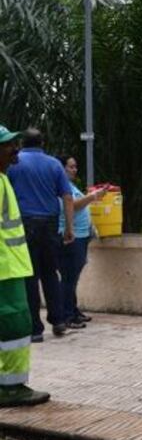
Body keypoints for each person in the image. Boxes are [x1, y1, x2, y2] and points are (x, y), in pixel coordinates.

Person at [0, 124, 51, 408]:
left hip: (10, 266)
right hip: (4, 269)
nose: (14, 149)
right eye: (7, 144)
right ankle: (11, 388)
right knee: (16, 326)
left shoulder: (3, 178)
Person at [7, 128, 74, 341]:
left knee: (30, 276)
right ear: (42, 142)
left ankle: (35, 329)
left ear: (23, 143)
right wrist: (69, 228)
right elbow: (67, 196)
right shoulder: (54, 164)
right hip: (50, 225)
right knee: (50, 274)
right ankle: (59, 320)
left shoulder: (14, 164)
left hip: (24, 225)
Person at [56, 156, 107, 328]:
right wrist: (92, 196)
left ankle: (73, 310)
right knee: (69, 277)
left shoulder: (70, 186)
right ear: (61, 168)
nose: (74, 169)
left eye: (75, 166)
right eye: (70, 167)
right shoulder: (58, 186)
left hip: (82, 235)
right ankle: (66, 316)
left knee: (73, 277)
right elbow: (71, 206)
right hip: (72, 236)